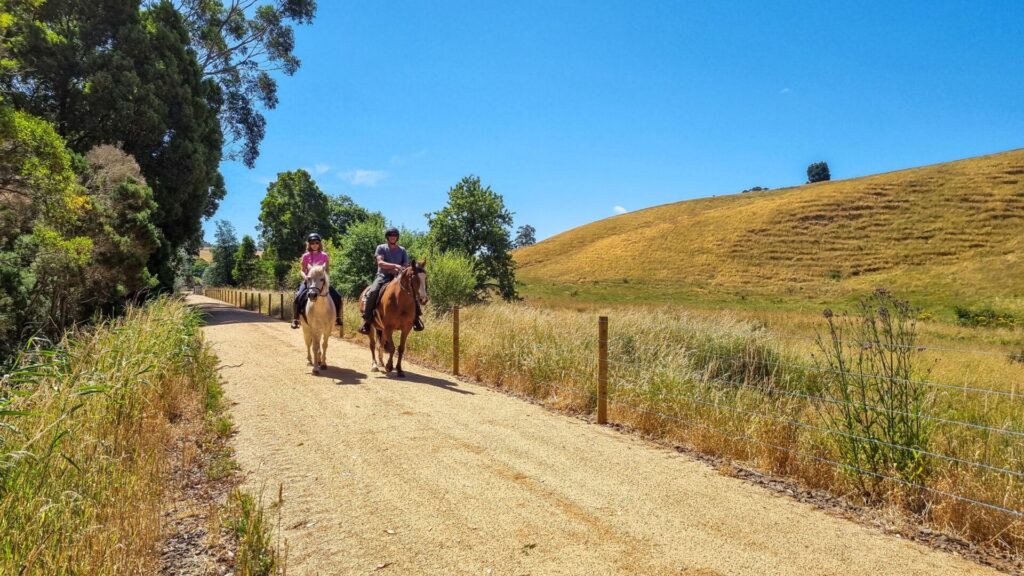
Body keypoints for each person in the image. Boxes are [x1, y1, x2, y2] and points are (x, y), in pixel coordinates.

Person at [359, 227, 424, 334]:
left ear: (397, 237)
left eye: (395, 236)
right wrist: (395, 266)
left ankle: (416, 318)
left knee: (412, 293)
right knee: (373, 291)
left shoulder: (402, 250)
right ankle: (367, 320)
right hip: (383, 276)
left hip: (398, 278)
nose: (393, 237)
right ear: (387, 237)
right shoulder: (381, 248)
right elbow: (380, 263)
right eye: (390, 235)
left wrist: (401, 269)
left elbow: (406, 265)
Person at [292, 233, 343, 329]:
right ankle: (295, 319)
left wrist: (325, 280)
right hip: (309, 281)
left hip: (321, 282)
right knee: (298, 296)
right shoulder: (305, 256)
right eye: (312, 243)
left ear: (319, 244)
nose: (314, 245)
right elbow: (302, 270)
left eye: (316, 243)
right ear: (309, 244)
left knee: (338, 297)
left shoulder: (325, 255)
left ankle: (337, 318)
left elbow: (327, 270)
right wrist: (305, 276)